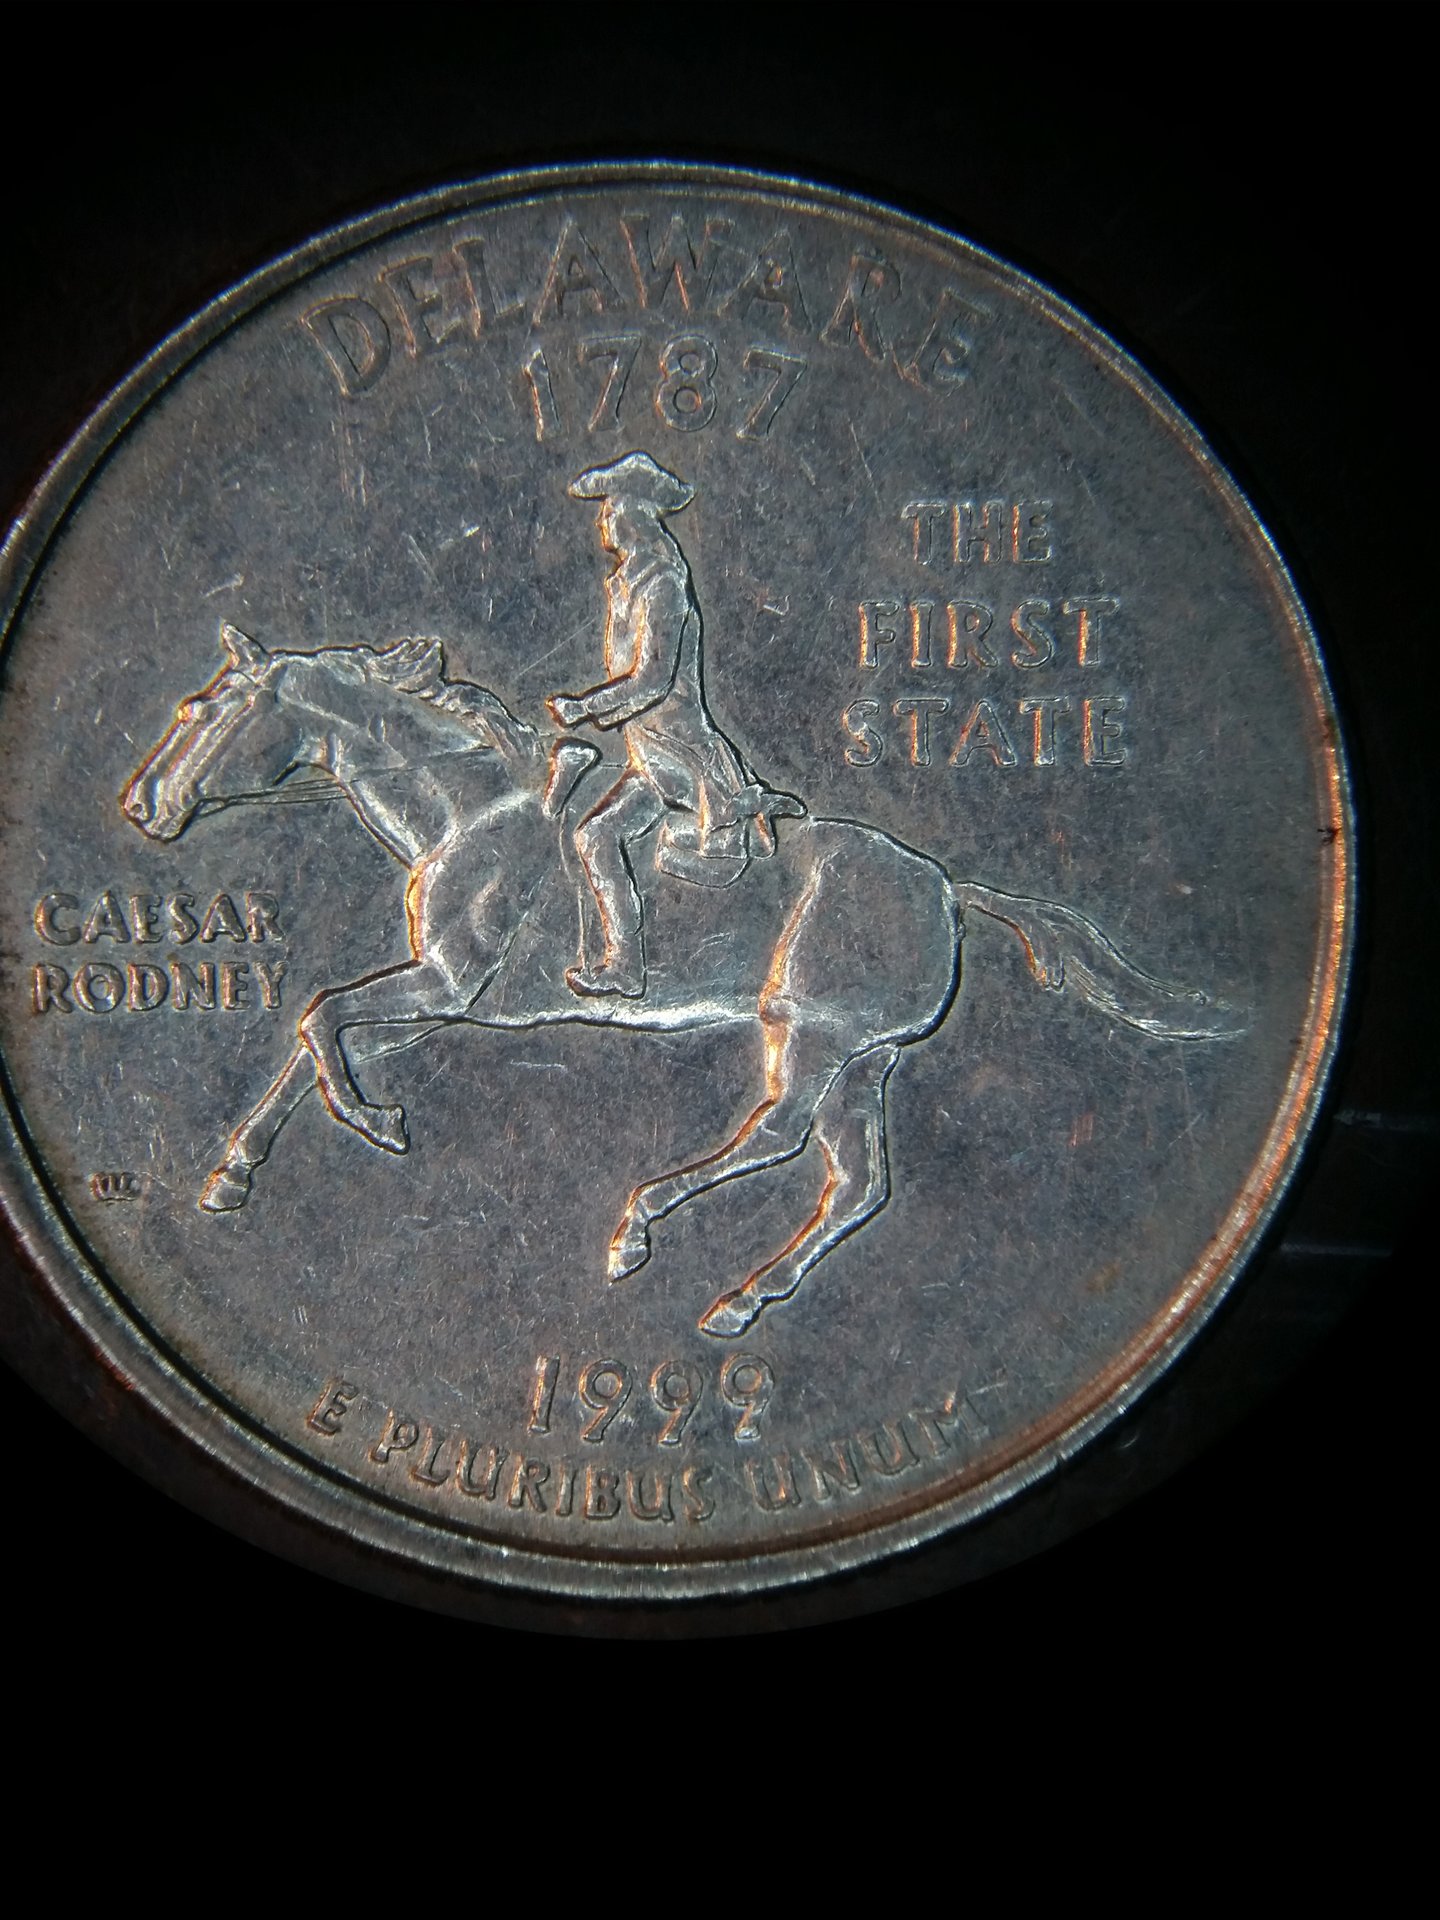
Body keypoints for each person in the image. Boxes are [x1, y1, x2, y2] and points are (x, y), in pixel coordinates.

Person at [547, 451, 802, 998]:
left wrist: (585, 707)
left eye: (611, 509)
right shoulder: (628, 582)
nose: (603, 521)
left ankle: (742, 825)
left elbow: (653, 679)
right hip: (651, 752)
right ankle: (625, 968)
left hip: (682, 755)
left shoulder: (663, 584)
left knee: (645, 839)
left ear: (635, 516)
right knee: (595, 836)